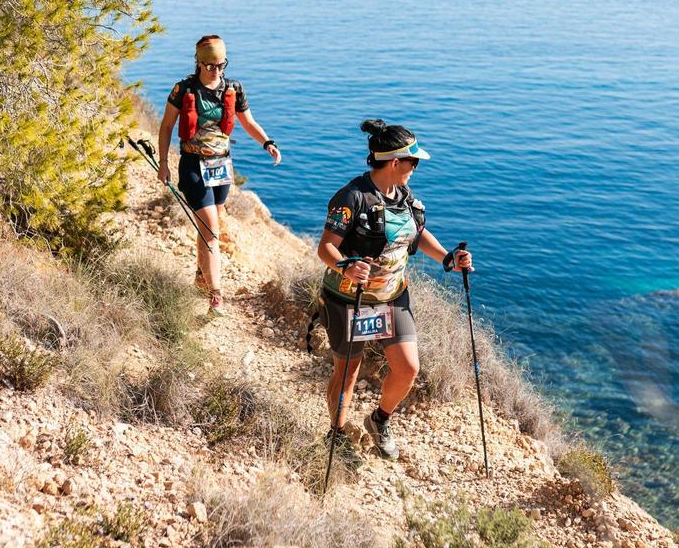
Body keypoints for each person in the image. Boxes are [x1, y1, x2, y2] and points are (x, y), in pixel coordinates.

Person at [316, 119, 472, 461]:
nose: (416, 168)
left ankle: (379, 419)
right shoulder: (352, 197)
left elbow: (416, 236)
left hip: (392, 297)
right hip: (349, 300)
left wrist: (448, 258)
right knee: (347, 373)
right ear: (395, 162)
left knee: (408, 369)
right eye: (413, 162)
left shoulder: (405, 198)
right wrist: (346, 265)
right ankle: (337, 433)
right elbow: (326, 246)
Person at [158, 35, 281, 316]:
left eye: (221, 64)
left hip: (221, 167)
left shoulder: (234, 88)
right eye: (210, 65)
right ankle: (216, 294)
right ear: (199, 62)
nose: (216, 70)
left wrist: (268, 142)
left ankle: (201, 277)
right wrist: (163, 162)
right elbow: (166, 126)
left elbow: (247, 121)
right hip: (192, 165)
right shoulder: (184, 89)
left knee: (208, 228)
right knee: (212, 229)